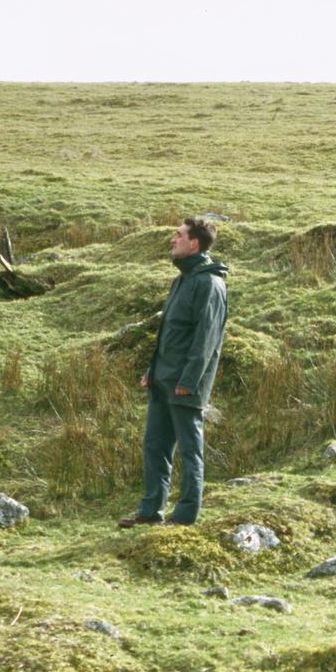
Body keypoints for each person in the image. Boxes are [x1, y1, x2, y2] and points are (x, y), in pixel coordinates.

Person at [120, 217, 229, 528]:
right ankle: (151, 511)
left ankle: (184, 517)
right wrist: (151, 371)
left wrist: (189, 380)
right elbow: (170, 333)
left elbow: (205, 338)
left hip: (185, 384)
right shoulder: (181, 280)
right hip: (163, 380)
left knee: (189, 452)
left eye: (179, 236)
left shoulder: (210, 283)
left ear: (194, 243)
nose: (172, 240)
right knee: (155, 446)